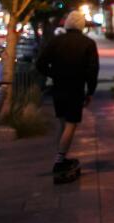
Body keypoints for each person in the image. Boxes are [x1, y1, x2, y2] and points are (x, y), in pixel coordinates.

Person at [36, 10, 98, 179]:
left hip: (58, 87)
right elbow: (92, 71)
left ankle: (61, 156)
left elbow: (40, 63)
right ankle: (59, 159)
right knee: (71, 123)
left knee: (62, 122)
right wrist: (90, 91)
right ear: (81, 25)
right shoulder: (88, 44)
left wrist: (53, 74)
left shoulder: (56, 42)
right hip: (76, 88)